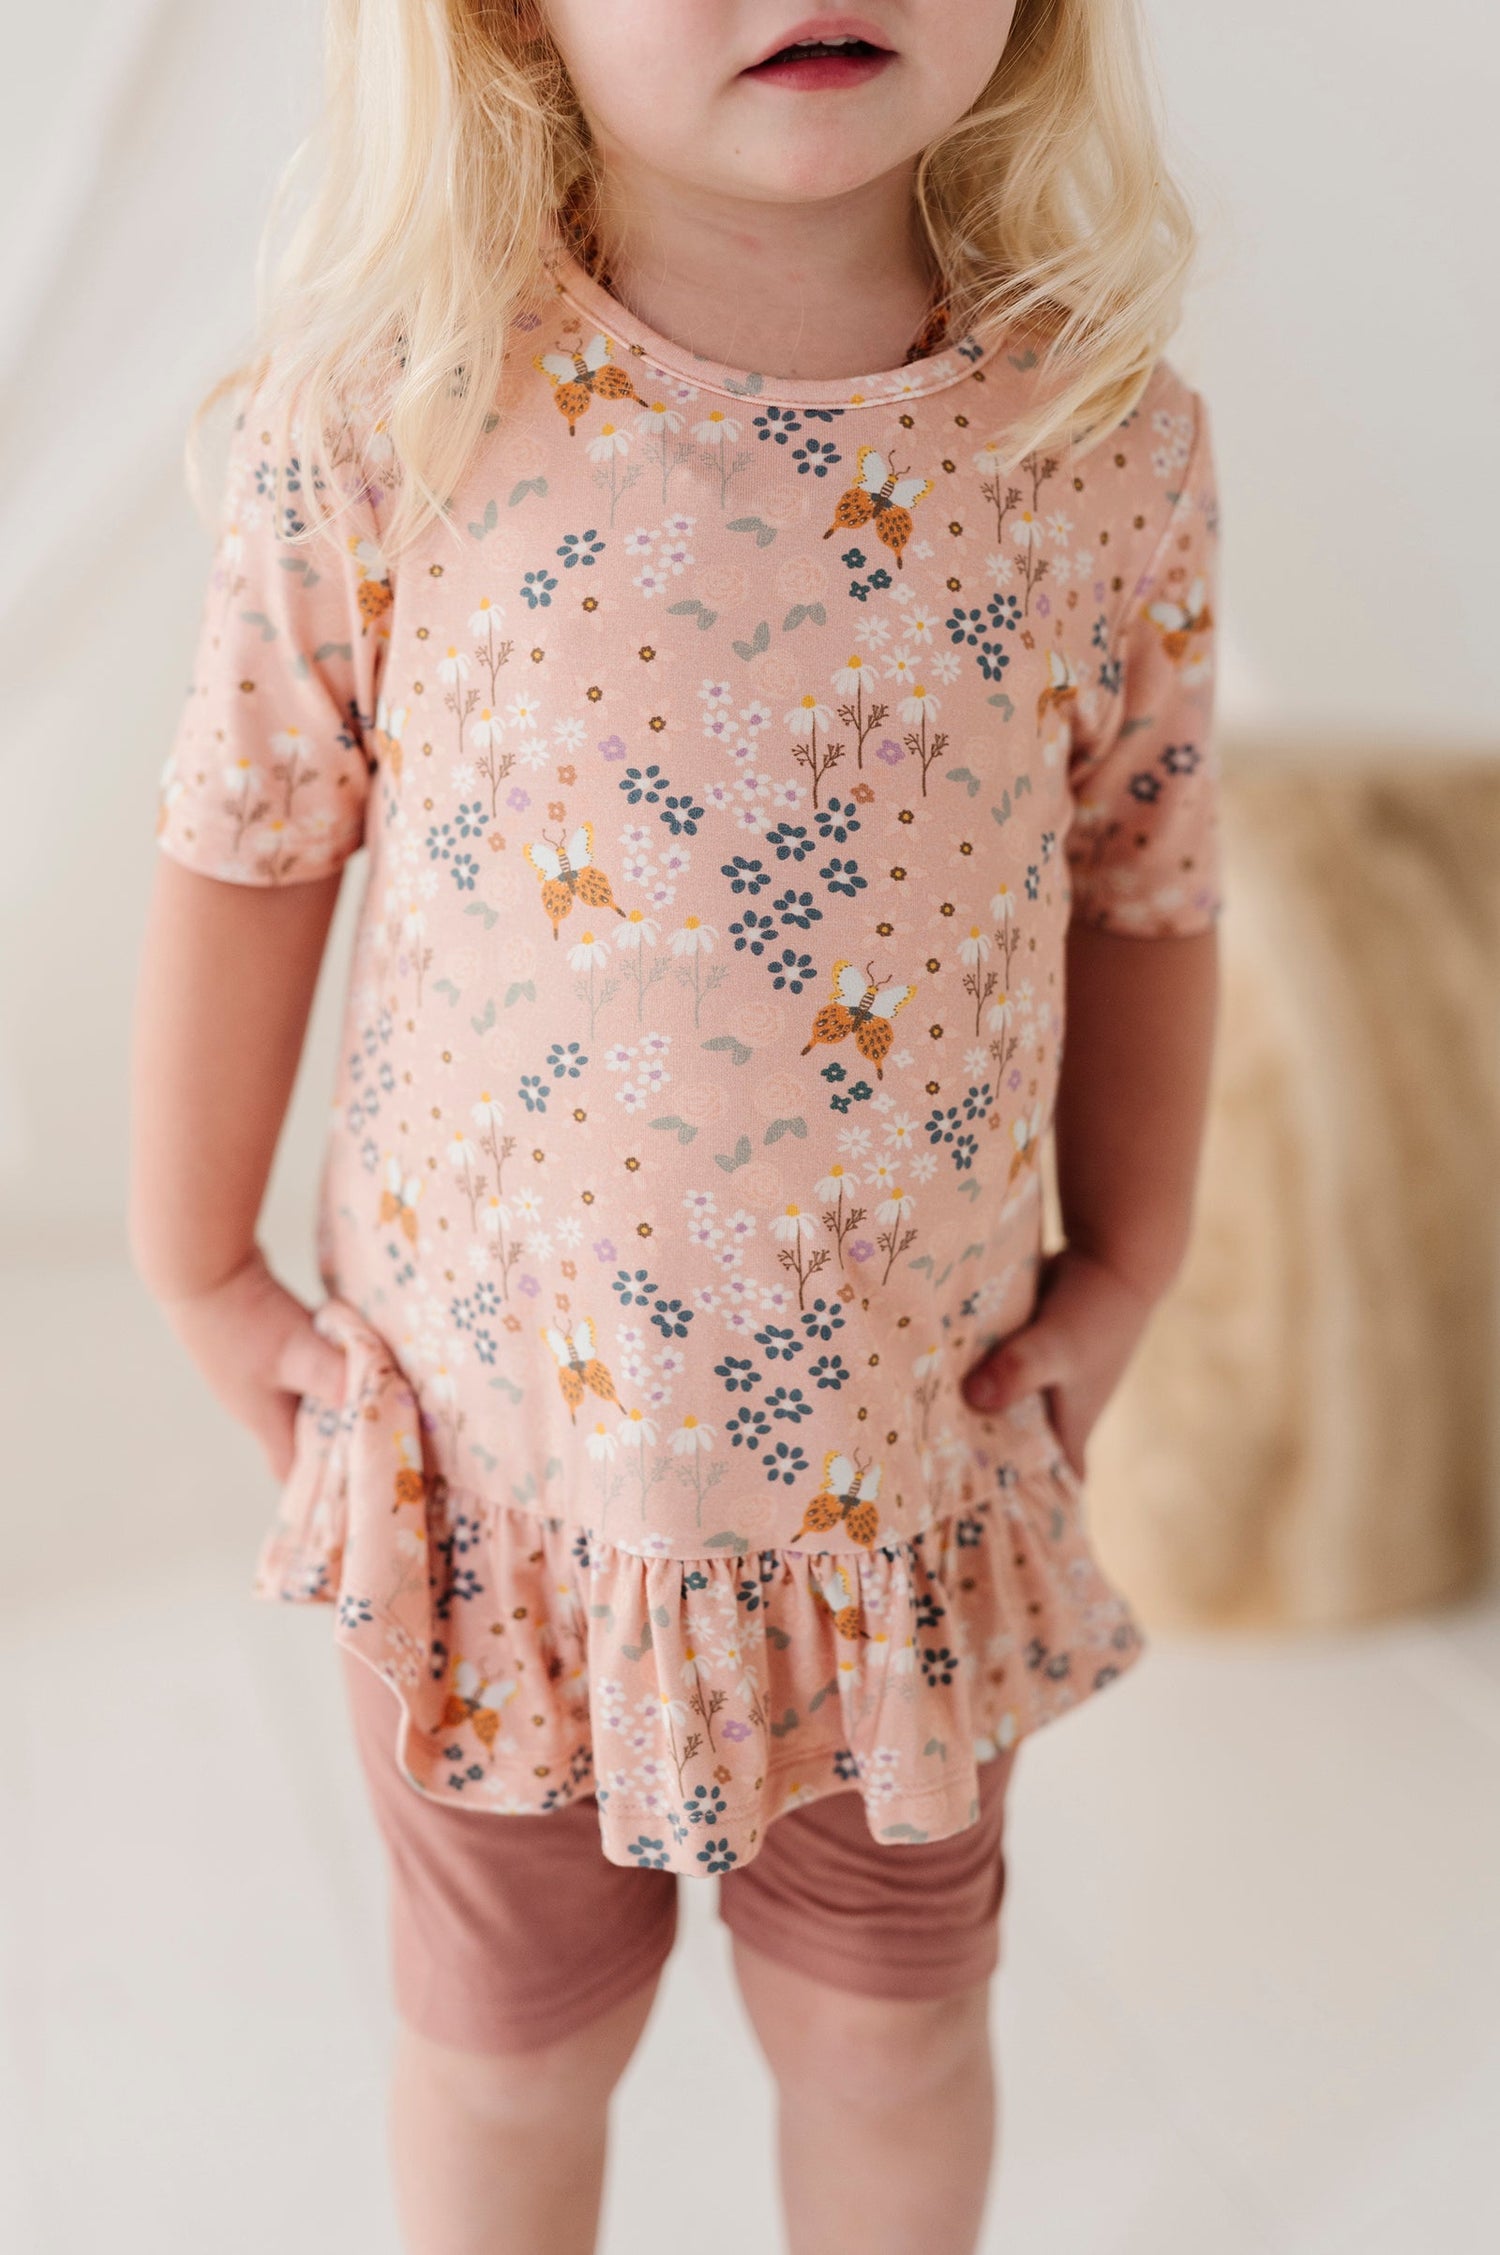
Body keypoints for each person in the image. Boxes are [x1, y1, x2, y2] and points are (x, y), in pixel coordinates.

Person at [128, 5, 1222, 2250]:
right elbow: (248, 832)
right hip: (498, 1486)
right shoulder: (406, 409)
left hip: (895, 1489)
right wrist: (195, 1260)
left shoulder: (1099, 438)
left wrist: (1130, 1260)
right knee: (511, 2057)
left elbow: (1148, 875)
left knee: (890, 2040)